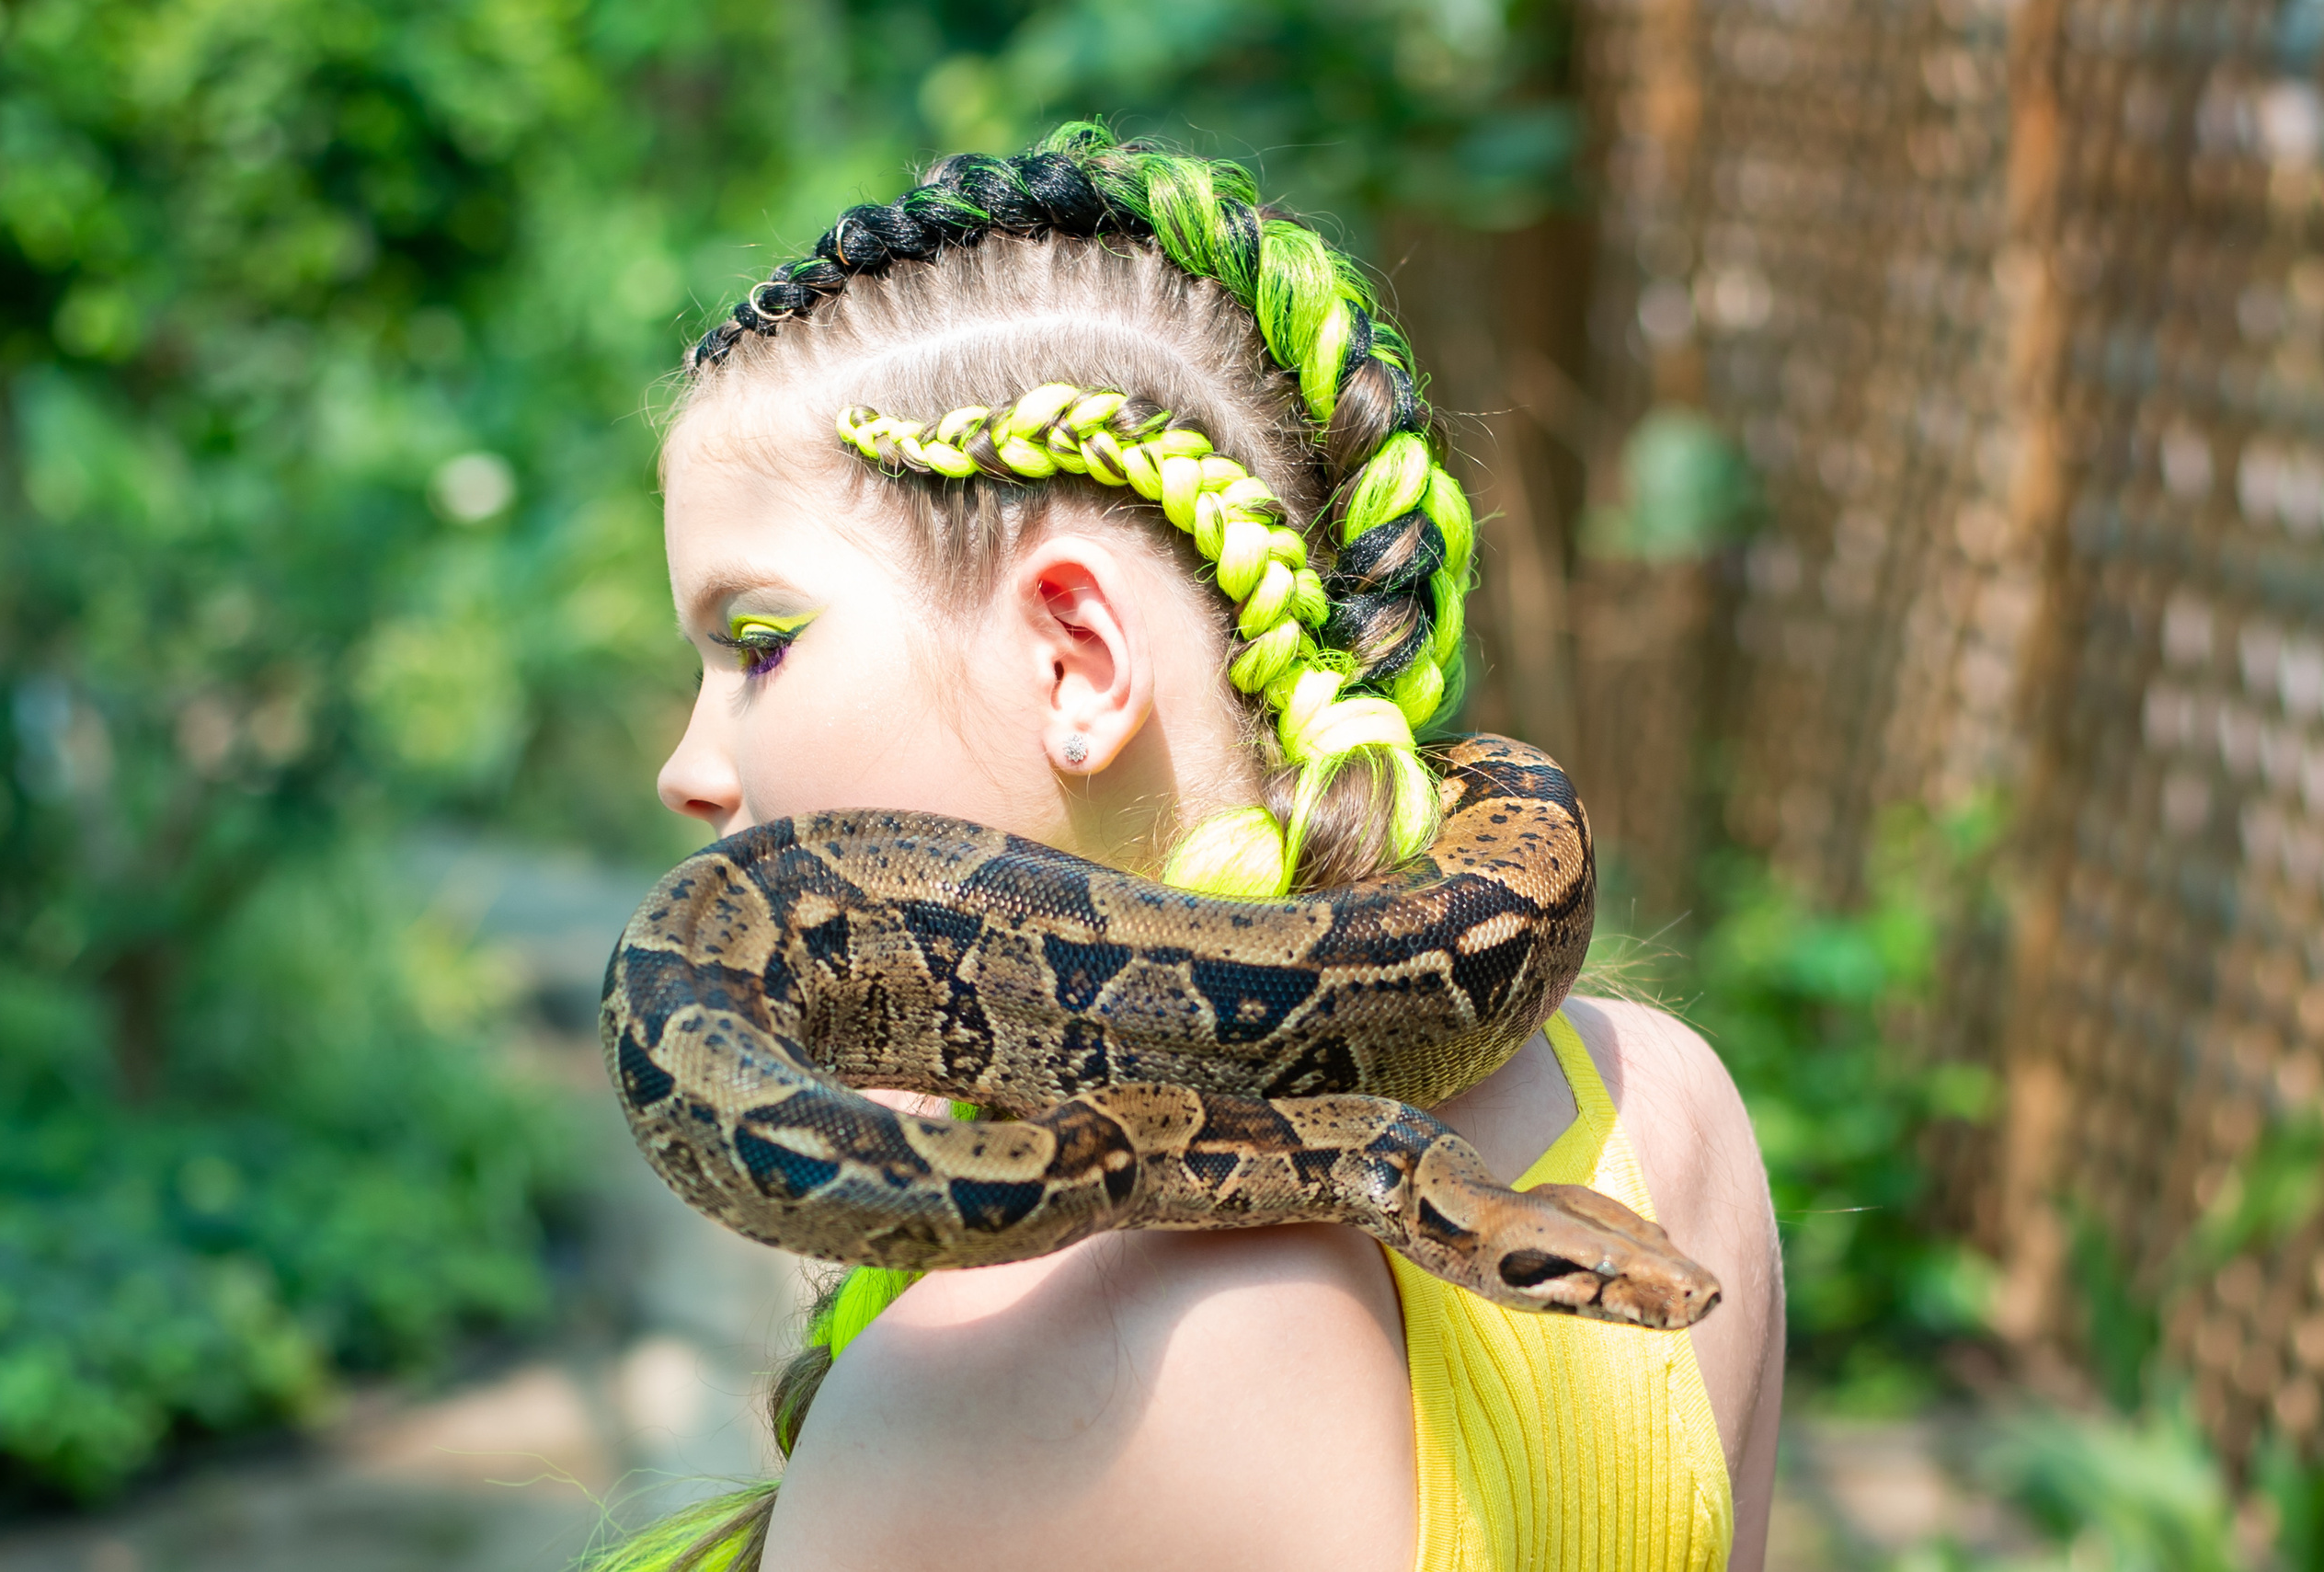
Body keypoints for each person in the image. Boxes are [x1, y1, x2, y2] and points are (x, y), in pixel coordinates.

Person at [600, 123, 1782, 1572]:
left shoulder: (987, 1399)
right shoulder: (1672, 1113)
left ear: (1077, 661)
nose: (685, 766)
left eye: (760, 644)